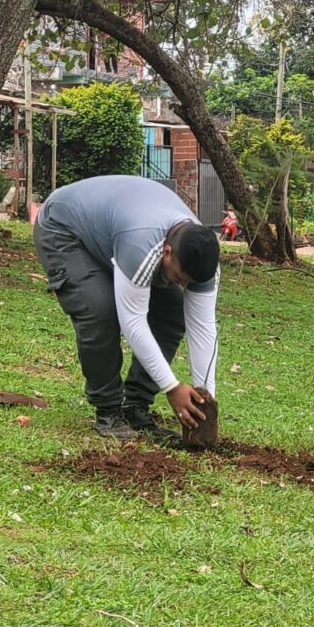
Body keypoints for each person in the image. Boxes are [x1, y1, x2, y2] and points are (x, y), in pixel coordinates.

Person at [34, 175, 220, 440]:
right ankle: (109, 412)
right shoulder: (141, 244)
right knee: (100, 310)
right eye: (180, 277)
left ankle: (136, 407)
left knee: (172, 312)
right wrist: (172, 386)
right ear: (167, 252)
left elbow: (202, 329)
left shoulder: (203, 263)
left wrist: (204, 398)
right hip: (65, 230)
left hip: (113, 232)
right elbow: (133, 322)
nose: (183, 284)